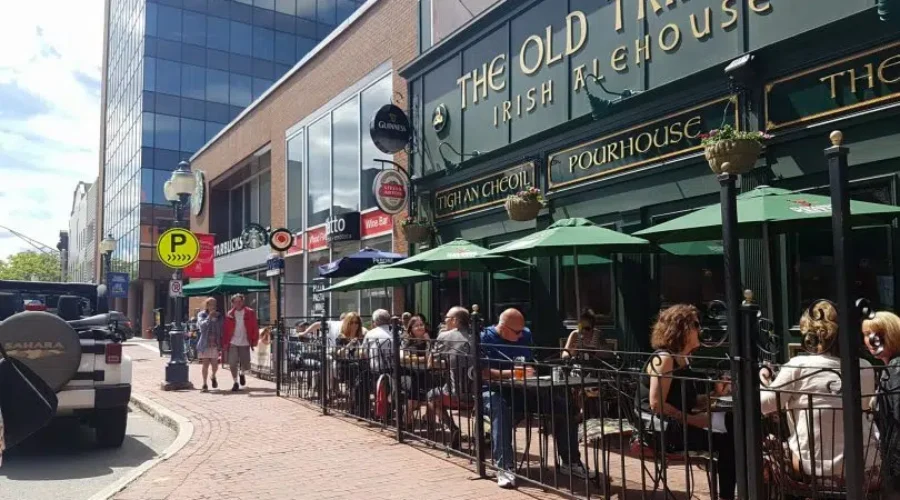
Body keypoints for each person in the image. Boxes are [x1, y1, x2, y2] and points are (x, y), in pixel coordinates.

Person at [760, 300, 878, 485]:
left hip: (812, 468)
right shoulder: (865, 367)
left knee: (766, 454)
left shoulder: (799, 365)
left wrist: (764, 380)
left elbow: (764, 406)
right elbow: (864, 407)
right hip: (864, 467)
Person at [481, 308, 594, 489]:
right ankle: (504, 467)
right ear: (502, 328)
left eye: (522, 330)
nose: (521, 336)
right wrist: (511, 373)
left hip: (524, 390)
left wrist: (536, 370)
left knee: (562, 406)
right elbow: (482, 372)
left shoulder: (525, 335)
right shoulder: (485, 338)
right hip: (494, 390)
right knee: (500, 409)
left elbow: (532, 361)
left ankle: (570, 462)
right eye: (517, 332)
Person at [638, 304, 735, 500]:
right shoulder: (664, 358)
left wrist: (715, 394)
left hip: (676, 423)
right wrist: (694, 420)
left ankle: (734, 490)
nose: (700, 329)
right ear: (681, 329)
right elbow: (656, 404)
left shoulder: (683, 358)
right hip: (659, 429)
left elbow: (691, 400)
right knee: (729, 441)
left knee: (733, 423)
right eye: (696, 324)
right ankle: (728, 495)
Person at [426, 306, 472, 450]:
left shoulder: (446, 336)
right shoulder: (478, 335)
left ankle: (453, 429)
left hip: (456, 395)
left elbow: (430, 363)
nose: (444, 321)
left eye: (446, 318)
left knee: (431, 396)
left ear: (454, 320)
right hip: (480, 393)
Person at [863, 310, 900, 485]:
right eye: (866, 334)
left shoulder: (896, 368)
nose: (870, 339)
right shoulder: (891, 367)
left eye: (877, 334)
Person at [223, 294, 259, 392]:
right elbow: (226, 330)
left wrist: (255, 340)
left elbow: (255, 327)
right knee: (232, 363)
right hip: (233, 341)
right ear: (232, 303)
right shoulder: (229, 313)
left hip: (245, 341)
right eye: (235, 302)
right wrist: (225, 342)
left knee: (245, 363)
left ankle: (242, 373)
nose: (238, 303)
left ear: (243, 302)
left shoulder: (250, 312)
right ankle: (235, 382)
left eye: (240, 301)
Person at [196, 297, 223, 392]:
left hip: (215, 343)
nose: (213, 306)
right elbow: (202, 326)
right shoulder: (201, 314)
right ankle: (204, 384)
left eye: (214, 304)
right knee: (205, 364)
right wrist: (209, 317)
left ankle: (213, 375)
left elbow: (221, 328)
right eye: (211, 304)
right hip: (205, 343)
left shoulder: (219, 316)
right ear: (207, 305)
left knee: (215, 365)